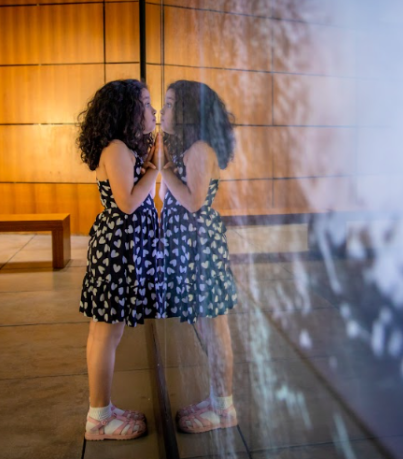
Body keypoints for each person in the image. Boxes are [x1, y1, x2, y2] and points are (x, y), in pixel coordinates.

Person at [77, 79, 161, 441]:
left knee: (108, 332)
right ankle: (98, 418)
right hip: (116, 249)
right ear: (127, 110)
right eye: (146, 103)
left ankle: (104, 409)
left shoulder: (125, 149)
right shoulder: (114, 149)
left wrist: (151, 161)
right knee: (106, 333)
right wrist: (155, 170)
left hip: (124, 248)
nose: (154, 110)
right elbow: (128, 202)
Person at [159, 80, 239, 433]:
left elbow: (193, 201)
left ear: (189, 110)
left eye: (170, 102)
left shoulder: (200, 150)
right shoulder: (189, 147)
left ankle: (223, 408)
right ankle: (216, 400)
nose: (163, 110)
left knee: (214, 326)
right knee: (209, 326)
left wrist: (162, 172)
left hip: (201, 248)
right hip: (192, 248)